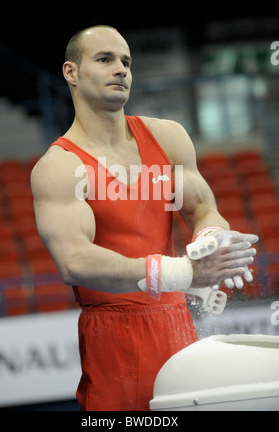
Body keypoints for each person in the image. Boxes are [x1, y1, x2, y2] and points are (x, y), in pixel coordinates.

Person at [30, 25, 258, 411]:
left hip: (176, 323)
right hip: (113, 338)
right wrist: (182, 273)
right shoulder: (59, 167)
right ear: (71, 72)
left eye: (126, 62)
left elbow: (203, 208)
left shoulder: (167, 138)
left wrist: (211, 239)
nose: (120, 69)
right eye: (104, 59)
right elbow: (75, 262)